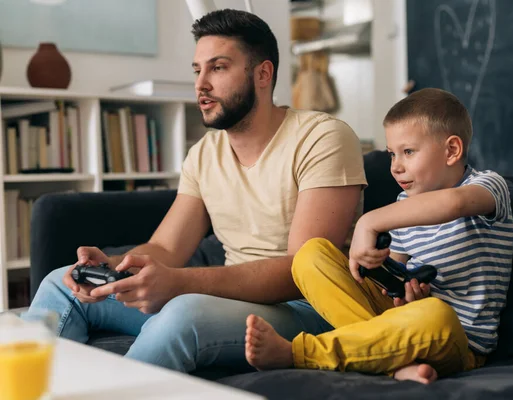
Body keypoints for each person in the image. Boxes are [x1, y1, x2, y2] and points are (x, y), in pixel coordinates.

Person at [29, 9, 366, 376]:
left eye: (218, 68)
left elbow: (300, 271)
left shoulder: (323, 138)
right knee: (59, 286)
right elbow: (166, 249)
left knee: (183, 313)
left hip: (309, 309)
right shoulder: (205, 154)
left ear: (263, 74)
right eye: (197, 70)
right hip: (232, 303)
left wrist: (177, 283)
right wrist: (112, 267)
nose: (201, 84)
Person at [244, 88, 513, 384]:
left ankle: (300, 354)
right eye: (392, 154)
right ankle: (393, 364)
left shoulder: (489, 185)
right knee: (310, 255)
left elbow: (454, 203)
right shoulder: (402, 206)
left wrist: (368, 222)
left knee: (437, 314)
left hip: (458, 341)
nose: (396, 166)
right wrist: (400, 292)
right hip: (399, 326)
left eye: (408, 152)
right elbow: (393, 284)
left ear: (452, 150)